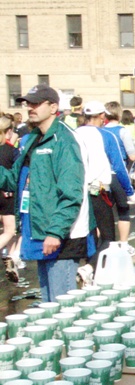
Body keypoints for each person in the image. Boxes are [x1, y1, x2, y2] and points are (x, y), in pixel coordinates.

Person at [0, 84, 94, 302]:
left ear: (53, 107)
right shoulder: (32, 138)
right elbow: (14, 179)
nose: (30, 108)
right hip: (40, 228)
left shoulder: (65, 140)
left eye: (35, 103)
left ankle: (68, 337)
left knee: (61, 303)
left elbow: (72, 193)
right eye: (28, 103)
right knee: (49, 303)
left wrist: (55, 232)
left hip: (62, 234)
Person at [75, 101, 115, 284]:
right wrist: (128, 191)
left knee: (86, 230)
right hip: (97, 189)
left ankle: (87, 266)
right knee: (108, 237)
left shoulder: (73, 133)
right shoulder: (105, 135)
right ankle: (90, 268)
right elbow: (119, 165)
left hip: (78, 188)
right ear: (102, 117)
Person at [102, 101, 135, 255]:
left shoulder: (100, 132)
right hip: (117, 173)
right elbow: (132, 155)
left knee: (103, 212)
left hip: (100, 174)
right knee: (123, 209)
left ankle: (103, 245)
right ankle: (123, 244)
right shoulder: (123, 132)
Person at [0, 116, 19, 281]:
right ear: (9, 131)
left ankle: (12, 260)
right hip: (6, 193)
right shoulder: (11, 150)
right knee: (10, 230)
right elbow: (18, 173)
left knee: (9, 232)